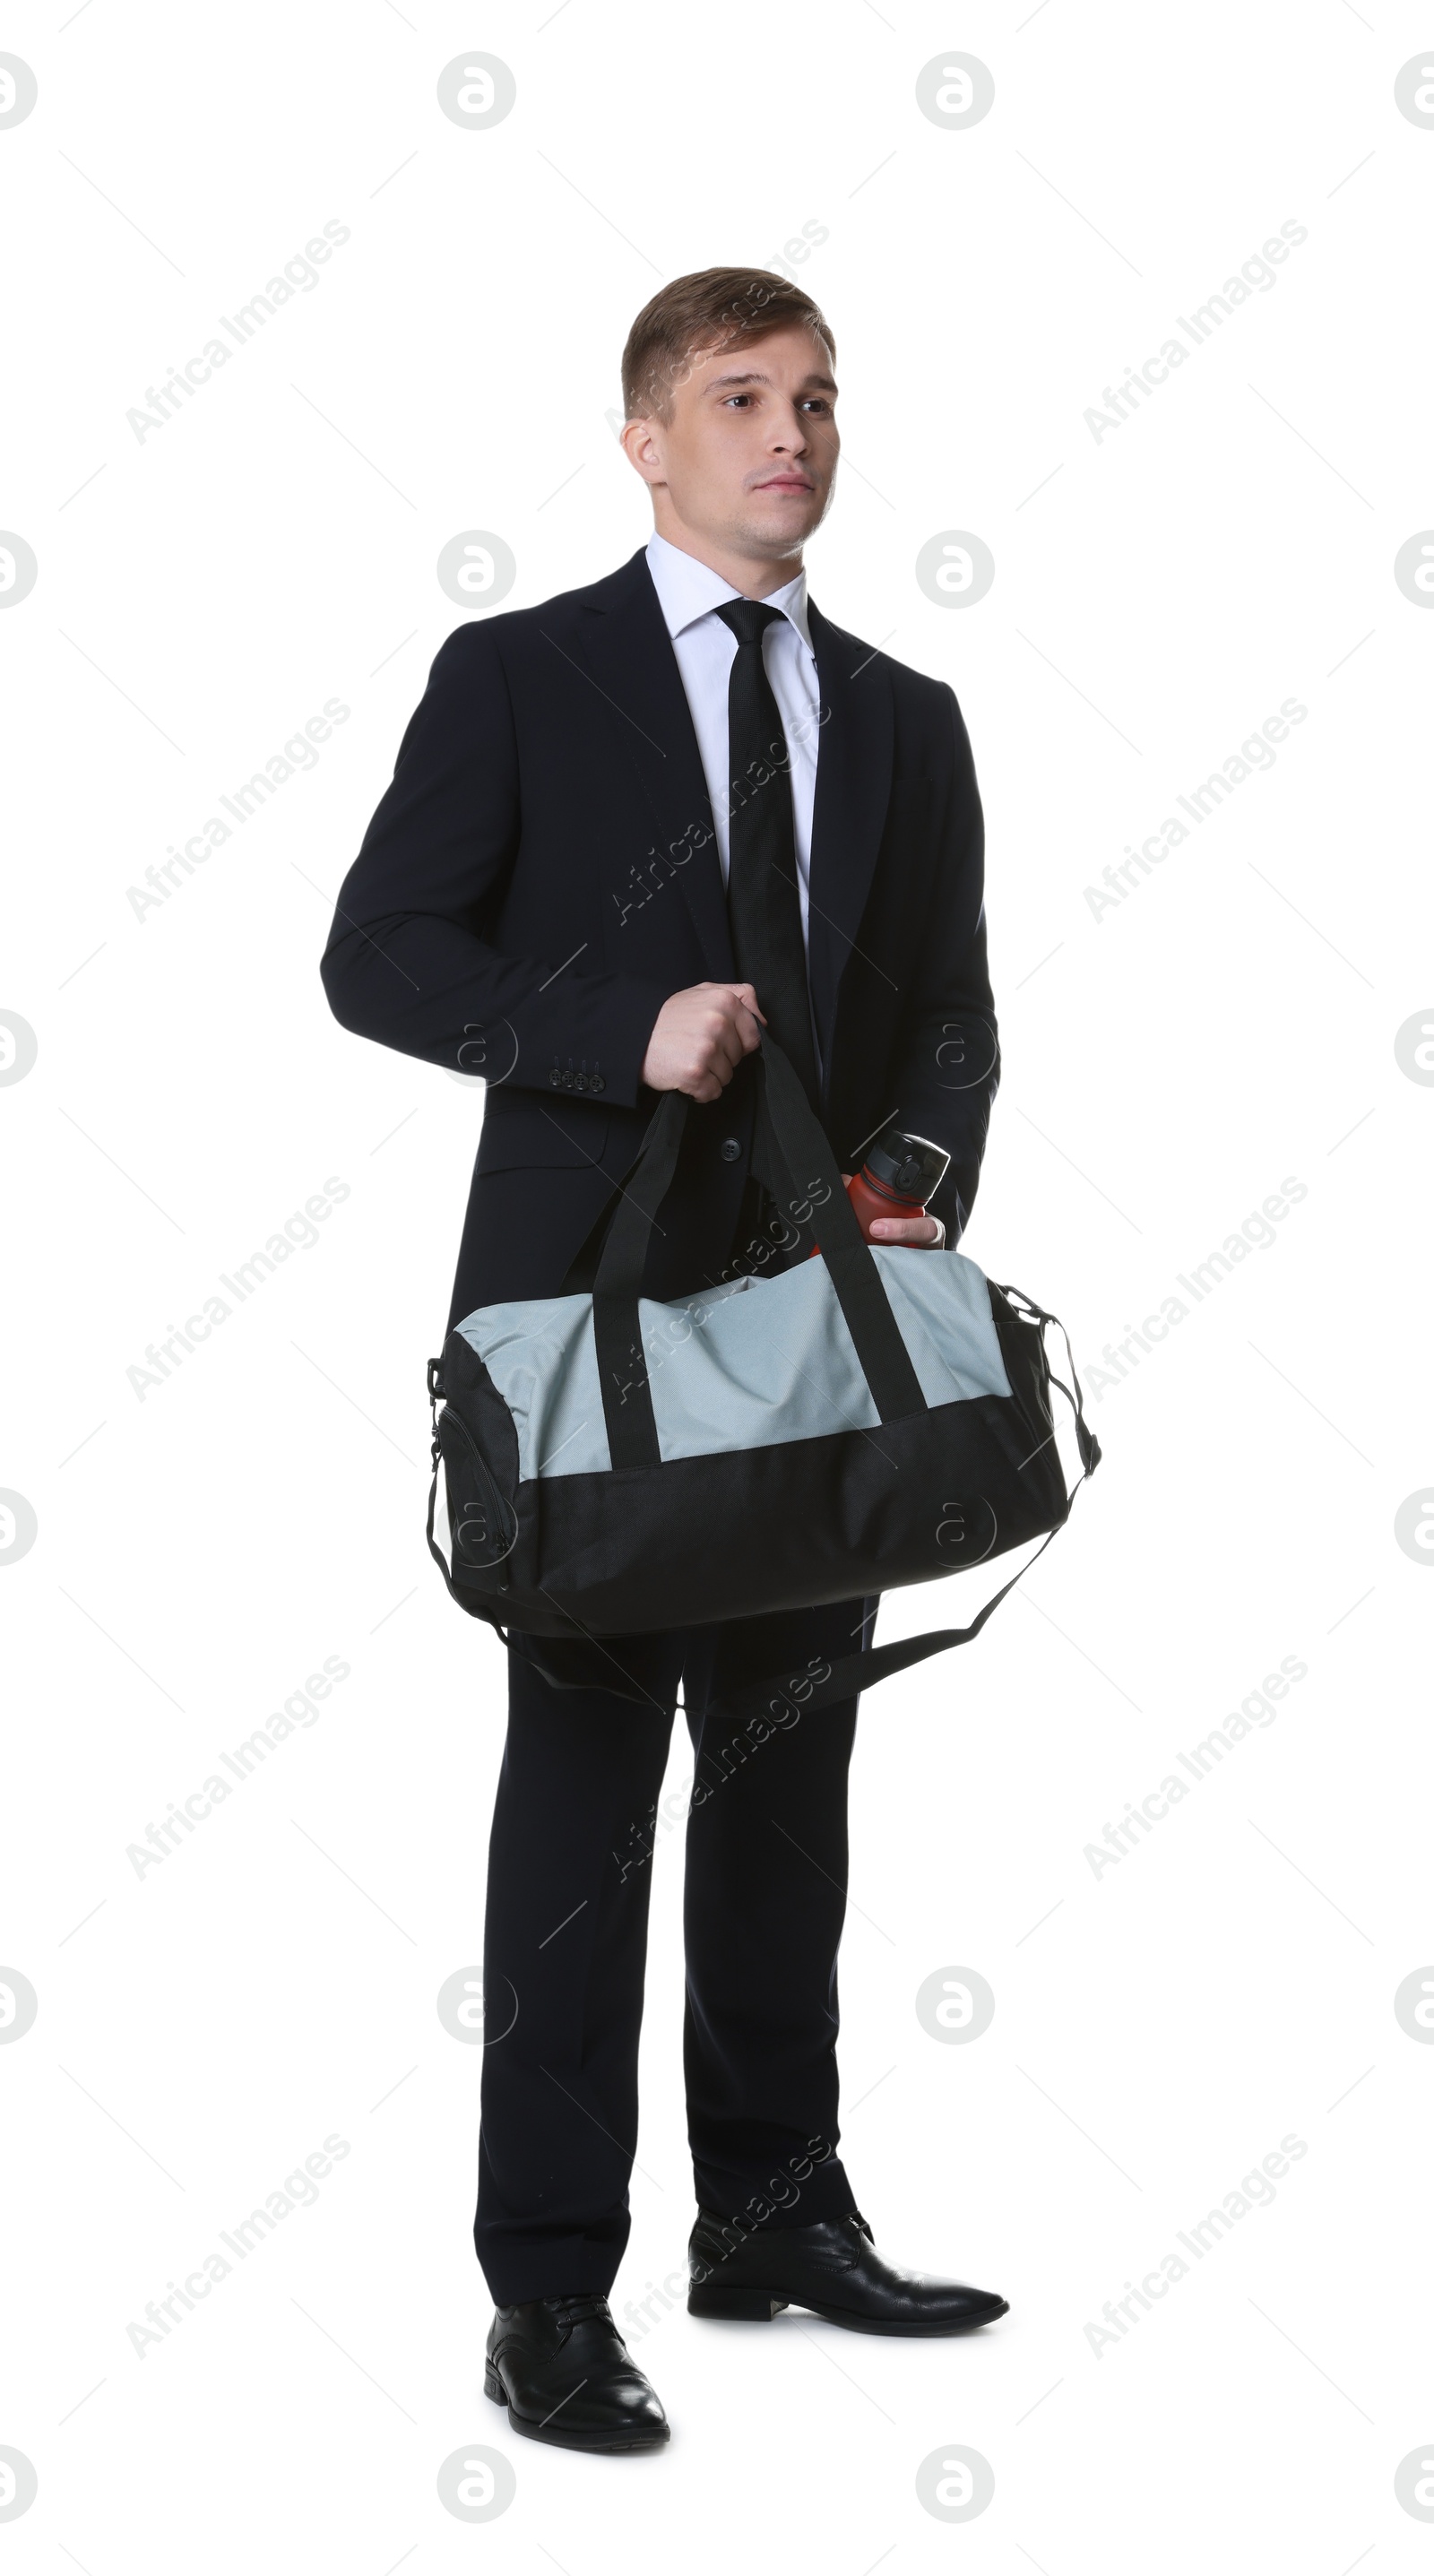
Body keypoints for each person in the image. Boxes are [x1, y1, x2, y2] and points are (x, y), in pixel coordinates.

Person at [319, 267, 1006, 2455]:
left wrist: (903, 1174)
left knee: (790, 1790)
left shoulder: (903, 713)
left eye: (811, 399)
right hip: (595, 1343)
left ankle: (773, 2216)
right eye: (736, 400)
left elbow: (952, 1020)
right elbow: (380, 951)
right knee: (586, 1820)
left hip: (819, 1344)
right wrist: (611, 1040)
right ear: (643, 438)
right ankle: (546, 2295)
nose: (786, 434)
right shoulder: (520, 676)